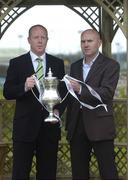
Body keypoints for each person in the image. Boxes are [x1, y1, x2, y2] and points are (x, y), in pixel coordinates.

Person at [3, 24, 66, 180]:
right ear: (29, 40)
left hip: (49, 128)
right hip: (24, 129)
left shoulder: (57, 63)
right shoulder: (16, 63)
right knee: (20, 173)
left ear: (47, 40)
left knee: (47, 173)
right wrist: (24, 86)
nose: (40, 40)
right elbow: (7, 92)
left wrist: (58, 111)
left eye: (43, 37)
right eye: (36, 37)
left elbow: (64, 93)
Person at [65, 29, 120, 179]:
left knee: (108, 171)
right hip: (77, 126)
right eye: (83, 41)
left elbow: (106, 93)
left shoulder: (111, 65)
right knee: (79, 172)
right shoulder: (75, 66)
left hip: (100, 125)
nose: (86, 45)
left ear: (99, 43)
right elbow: (70, 97)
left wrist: (81, 89)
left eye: (90, 41)